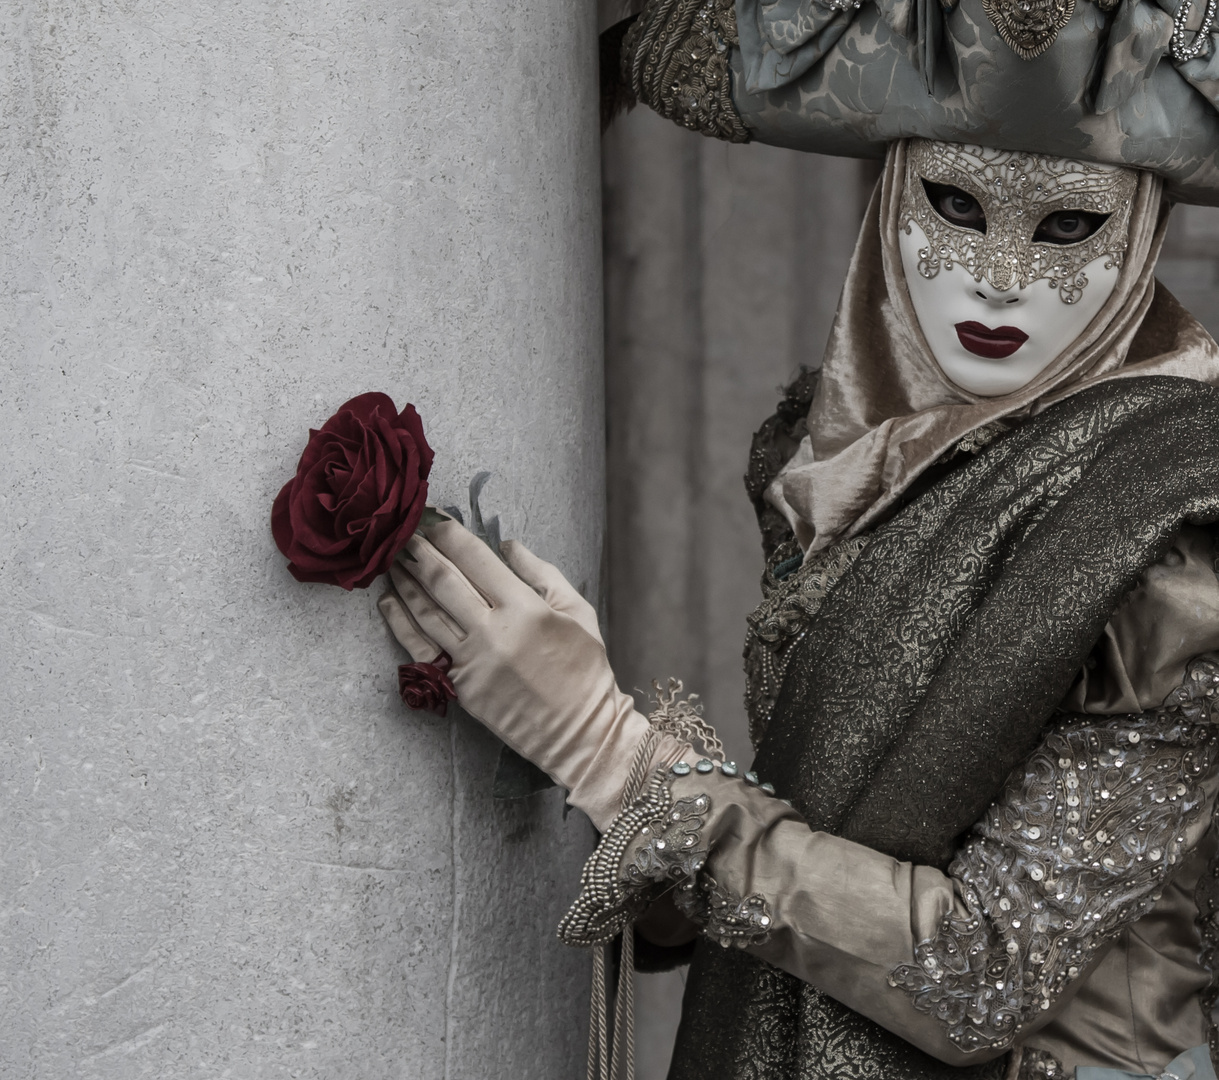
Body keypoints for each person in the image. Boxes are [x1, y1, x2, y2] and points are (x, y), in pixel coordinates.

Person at [377, 134, 1219, 1079]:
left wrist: (611, 754)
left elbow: (985, 974)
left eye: (1067, 226)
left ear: (1145, 231)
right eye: (954, 207)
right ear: (890, 197)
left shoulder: (1171, 529)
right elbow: (830, 831)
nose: (997, 278)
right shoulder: (858, 462)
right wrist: (579, 735)